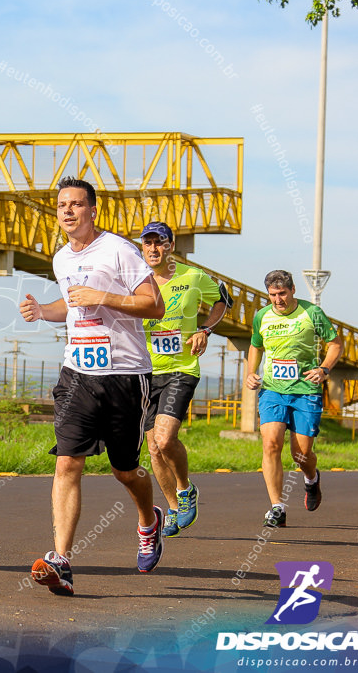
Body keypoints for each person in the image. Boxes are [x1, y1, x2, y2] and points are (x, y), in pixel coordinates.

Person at [19, 177, 166, 596]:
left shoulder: (119, 249)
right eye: (62, 204)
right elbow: (70, 303)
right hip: (78, 374)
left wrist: (103, 295)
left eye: (76, 205)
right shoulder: (61, 257)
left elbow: (153, 304)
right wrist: (41, 310)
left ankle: (148, 521)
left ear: (92, 210)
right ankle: (61, 560)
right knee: (68, 463)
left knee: (124, 470)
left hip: (124, 375)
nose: (67, 211)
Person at [140, 221, 233, 537]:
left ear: (170, 245)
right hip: (146, 372)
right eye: (148, 243)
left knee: (166, 440)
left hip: (181, 369)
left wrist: (205, 329)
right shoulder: (136, 281)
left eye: (159, 242)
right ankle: (174, 508)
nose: (153, 248)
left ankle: (185, 488)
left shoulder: (192, 276)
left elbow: (223, 301)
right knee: (153, 450)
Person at [244, 270, 343, 528]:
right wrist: (251, 373)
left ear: (293, 290)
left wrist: (324, 369)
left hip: (305, 390)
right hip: (273, 390)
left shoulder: (311, 313)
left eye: (282, 294)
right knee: (271, 444)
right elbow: (256, 344)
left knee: (301, 454)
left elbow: (335, 344)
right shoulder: (262, 317)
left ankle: (311, 479)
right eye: (273, 295)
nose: (278, 299)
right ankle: (277, 508)